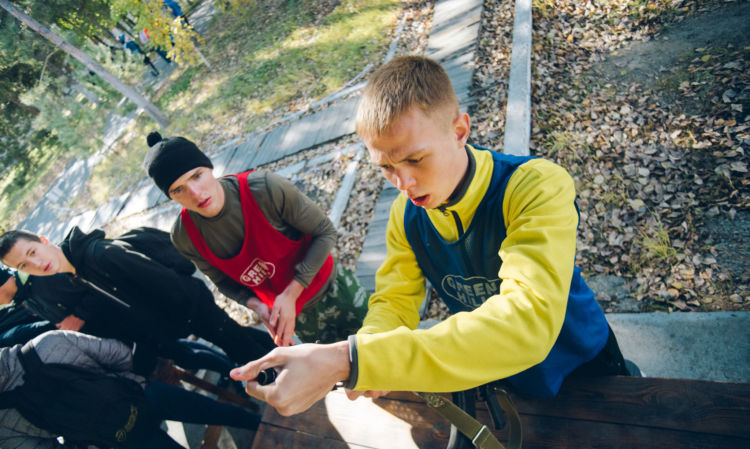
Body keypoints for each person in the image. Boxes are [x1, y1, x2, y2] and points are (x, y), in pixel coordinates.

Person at [230, 55, 638, 416]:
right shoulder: (406, 216)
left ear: (460, 130)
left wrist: (349, 358)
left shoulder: (533, 186)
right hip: (493, 368)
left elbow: (528, 321)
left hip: (582, 359)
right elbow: (394, 302)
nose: (403, 182)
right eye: (386, 168)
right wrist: (372, 348)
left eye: (414, 158)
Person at [142, 132, 369, 347]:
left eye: (197, 176)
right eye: (178, 189)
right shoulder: (185, 237)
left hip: (331, 288)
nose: (195, 193)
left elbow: (325, 231)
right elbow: (221, 280)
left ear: (210, 168)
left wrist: (291, 293)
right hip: (291, 317)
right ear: (171, 197)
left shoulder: (264, 189)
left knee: (383, 343)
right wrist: (257, 306)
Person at [0, 329, 257, 449]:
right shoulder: (47, 344)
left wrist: (79, 437)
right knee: (216, 412)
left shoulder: (3, 421)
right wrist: (116, 384)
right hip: (141, 394)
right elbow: (119, 354)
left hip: (120, 439)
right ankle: (267, 423)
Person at [0, 228, 275, 372]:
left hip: (193, 309)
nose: (36, 264)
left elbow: (166, 283)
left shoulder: (100, 255)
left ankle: (299, 377)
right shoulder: (76, 273)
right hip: (182, 319)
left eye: (33, 252)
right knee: (242, 341)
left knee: (244, 352)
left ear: (44, 240)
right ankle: (292, 354)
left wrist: (182, 321)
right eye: (24, 265)